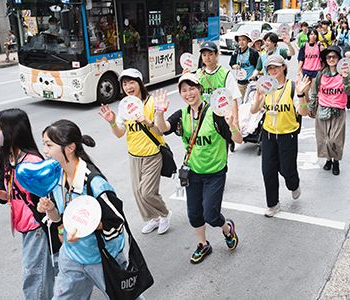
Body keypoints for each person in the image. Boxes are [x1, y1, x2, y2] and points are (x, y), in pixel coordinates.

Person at [34, 120, 144, 299]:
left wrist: (85, 227)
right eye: (44, 145)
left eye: (49, 145)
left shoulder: (95, 184)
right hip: (71, 258)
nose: (45, 150)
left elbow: (116, 223)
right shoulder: (56, 177)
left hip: (102, 260)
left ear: (69, 148)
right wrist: (50, 209)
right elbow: (59, 220)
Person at [154, 73, 241, 263]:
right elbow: (163, 128)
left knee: (211, 214)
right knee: (194, 213)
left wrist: (232, 125)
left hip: (215, 173)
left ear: (199, 89)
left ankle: (227, 228)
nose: (188, 93)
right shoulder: (182, 114)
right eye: (183, 90)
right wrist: (159, 113)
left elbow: (238, 139)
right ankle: (203, 244)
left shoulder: (215, 114)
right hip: (192, 172)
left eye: (191, 88)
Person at [0, 108, 60, 300]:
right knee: (40, 275)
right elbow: (14, 195)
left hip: (37, 227)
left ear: (13, 130)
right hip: (25, 227)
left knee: (34, 279)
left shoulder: (32, 161)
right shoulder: (9, 158)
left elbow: (42, 197)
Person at [97, 69, 172, 235]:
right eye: (124, 83)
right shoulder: (125, 105)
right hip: (134, 154)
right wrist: (112, 123)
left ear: (140, 83)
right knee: (138, 193)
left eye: (131, 82)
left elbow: (160, 131)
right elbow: (119, 134)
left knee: (147, 192)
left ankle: (165, 213)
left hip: (152, 153)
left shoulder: (152, 102)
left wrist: (147, 121)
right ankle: (153, 219)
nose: (128, 86)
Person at [250, 55, 311, 217]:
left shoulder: (292, 87)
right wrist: (257, 100)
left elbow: (303, 112)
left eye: (276, 67)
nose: (273, 70)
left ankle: (294, 185)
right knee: (268, 170)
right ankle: (273, 204)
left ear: (284, 67)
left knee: (287, 169)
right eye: (270, 68)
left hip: (288, 136)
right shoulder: (266, 87)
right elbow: (253, 111)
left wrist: (300, 95)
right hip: (268, 135)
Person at [310, 46, 350, 176]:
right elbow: (315, 91)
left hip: (338, 111)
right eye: (328, 57)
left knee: (335, 139)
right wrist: (311, 107)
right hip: (323, 110)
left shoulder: (346, 73)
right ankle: (328, 160)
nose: (331, 59)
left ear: (339, 59)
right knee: (324, 138)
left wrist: (345, 79)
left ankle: (336, 161)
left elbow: (349, 91)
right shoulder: (321, 74)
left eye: (334, 57)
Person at [230, 31, 260, 96]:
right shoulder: (235, 52)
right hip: (240, 83)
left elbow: (259, 66)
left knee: (251, 102)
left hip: (251, 83)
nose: (241, 42)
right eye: (239, 40)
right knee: (243, 103)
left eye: (243, 39)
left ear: (248, 40)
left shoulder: (253, 52)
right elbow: (231, 64)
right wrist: (234, 66)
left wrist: (255, 75)